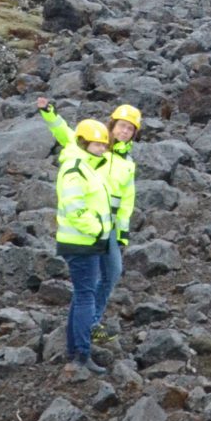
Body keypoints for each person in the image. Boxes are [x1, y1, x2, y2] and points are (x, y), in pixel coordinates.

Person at [36, 98, 124, 372]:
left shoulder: (86, 166)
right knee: (85, 295)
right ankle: (83, 355)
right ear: (85, 143)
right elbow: (74, 210)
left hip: (86, 241)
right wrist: (98, 230)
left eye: (103, 145)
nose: (101, 149)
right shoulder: (75, 170)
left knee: (81, 294)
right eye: (97, 145)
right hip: (82, 242)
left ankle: (75, 350)